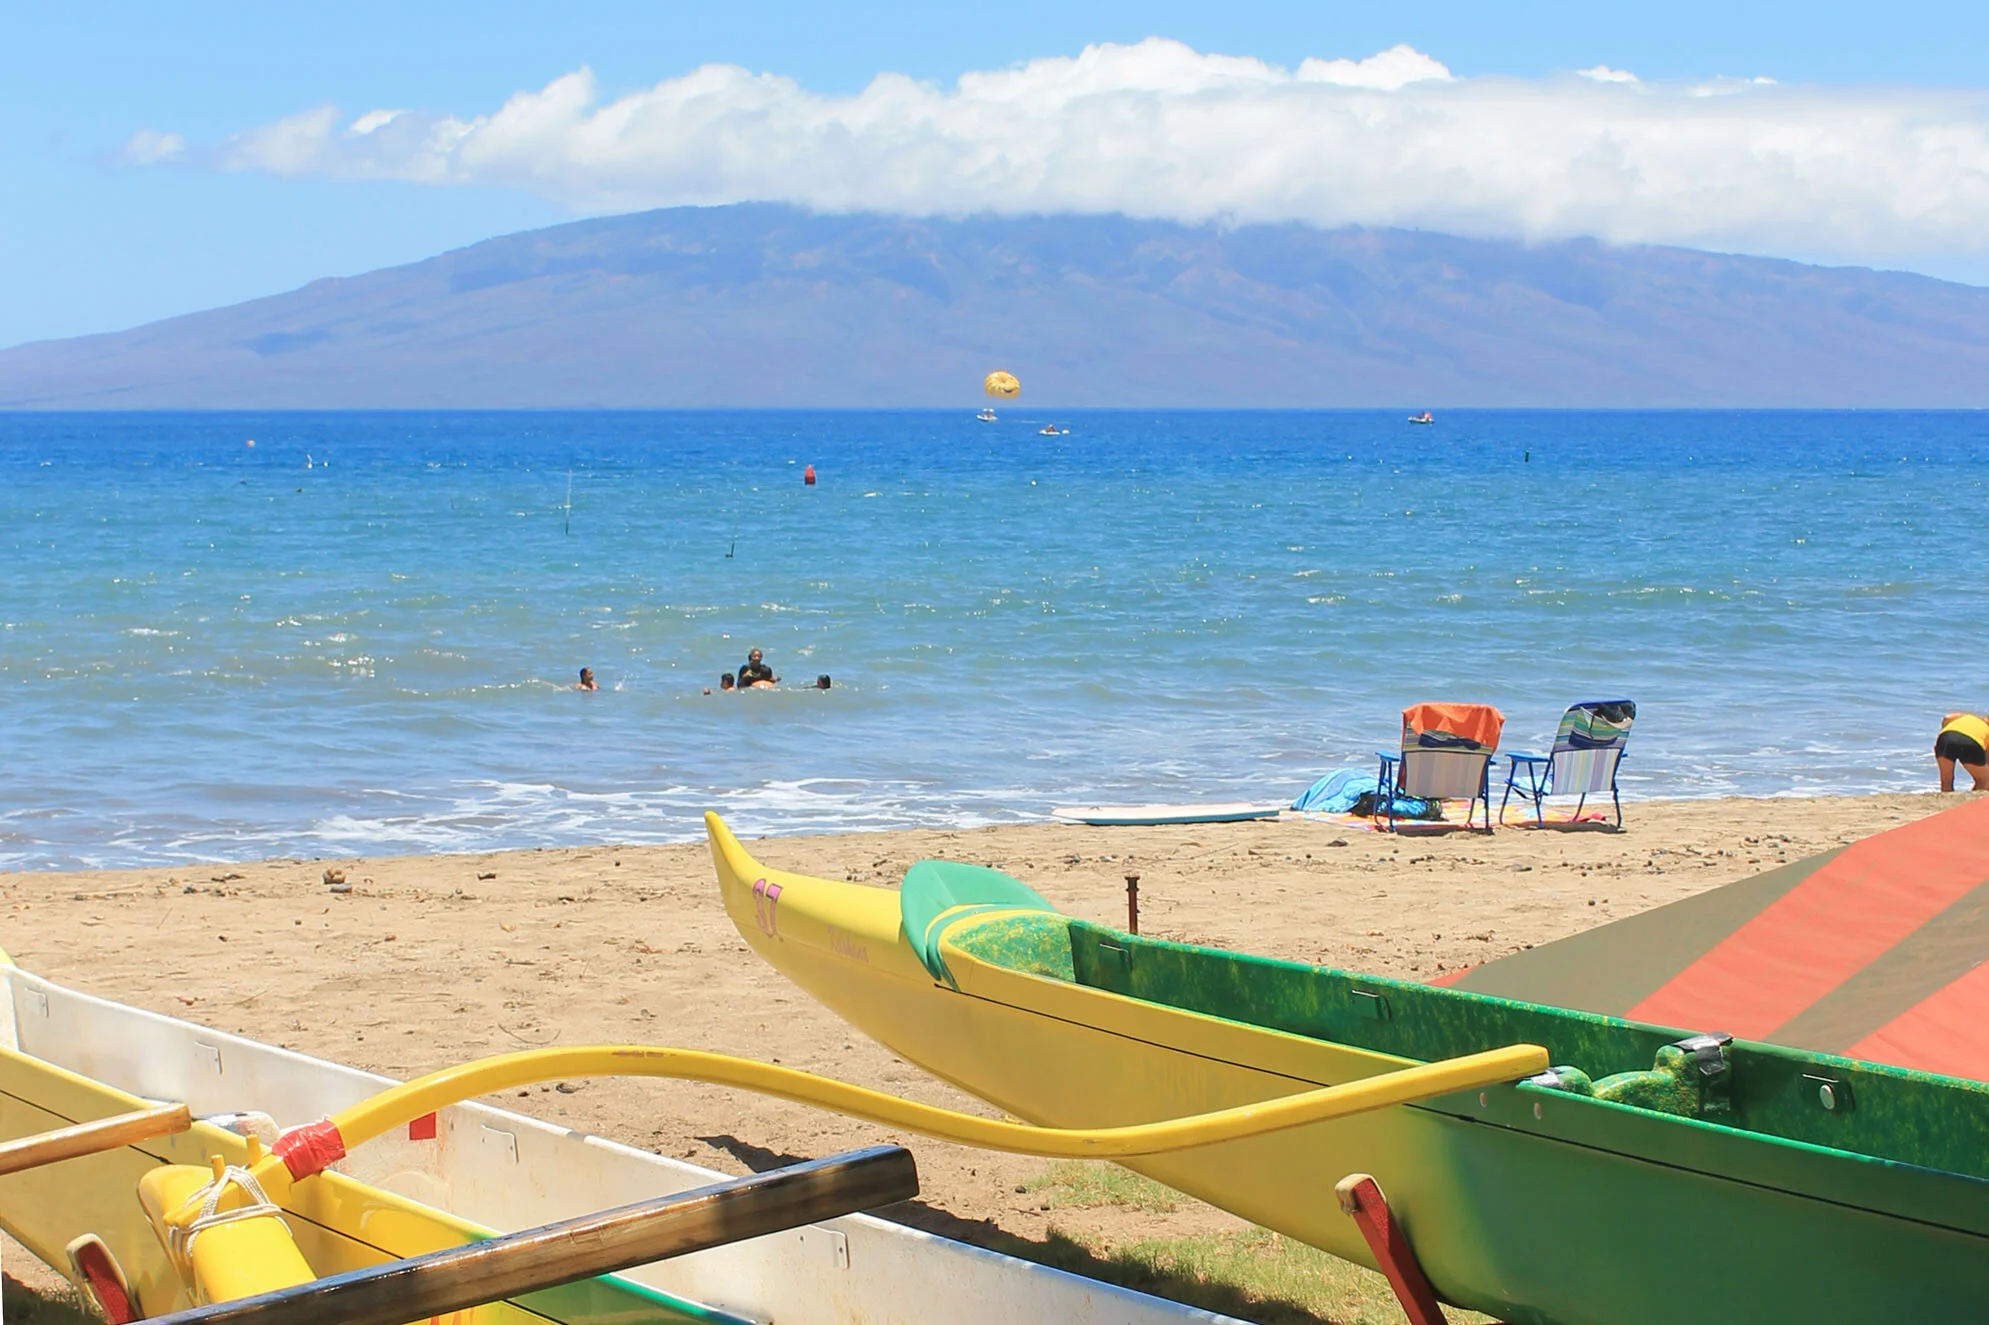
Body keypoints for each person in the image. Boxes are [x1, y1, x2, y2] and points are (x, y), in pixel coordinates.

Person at [1936, 710, 1989, 792]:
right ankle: (1972, 802)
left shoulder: (1967, 717)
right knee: (1984, 781)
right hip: (1971, 742)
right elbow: (1986, 757)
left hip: (1945, 737)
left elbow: (1947, 717)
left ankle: (1948, 803)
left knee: (1946, 781)